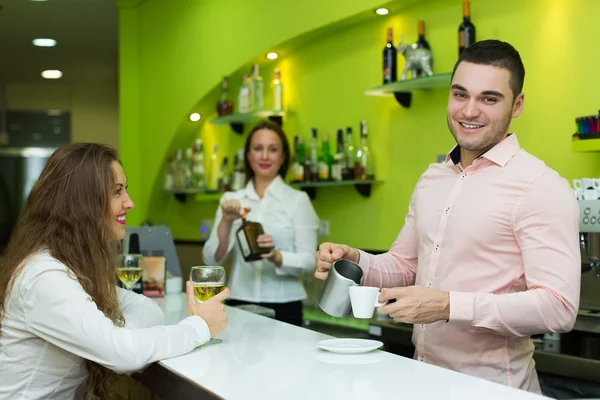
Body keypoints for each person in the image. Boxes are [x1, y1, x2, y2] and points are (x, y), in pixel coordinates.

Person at [315, 40, 580, 394]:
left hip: (493, 390)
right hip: (421, 381)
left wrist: (447, 305)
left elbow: (558, 308)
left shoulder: (540, 186)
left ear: (517, 105)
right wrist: (357, 260)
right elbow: (404, 266)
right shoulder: (433, 177)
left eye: (489, 98)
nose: (469, 111)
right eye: (460, 94)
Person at [0, 143, 230, 400]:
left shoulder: (72, 266)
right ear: (82, 202)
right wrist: (199, 327)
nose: (129, 202)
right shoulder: (45, 276)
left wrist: (116, 337)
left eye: (125, 189)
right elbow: (123, 355)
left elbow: (148, 309)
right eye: (117, 192)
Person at [203, 120, 319, 326]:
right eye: (258, 148)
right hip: (239, 302)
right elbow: (212, 260)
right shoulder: (230, 200)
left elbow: (309, 262)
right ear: (248, 155)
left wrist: (276, 256)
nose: (265, 156)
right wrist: (227, 222)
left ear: (283, 157)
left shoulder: (298, 200)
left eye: (272, 149)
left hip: (286, 307)